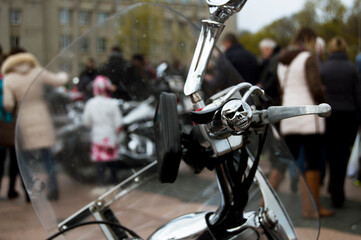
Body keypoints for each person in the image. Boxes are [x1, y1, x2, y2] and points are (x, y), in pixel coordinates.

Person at [277, 27, 333, 217]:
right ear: (310, 40)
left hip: (288, 116)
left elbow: (283, 90)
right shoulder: (307, 58)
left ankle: (263, 203)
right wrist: (323, 104)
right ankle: (311, 208)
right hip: (308, 117)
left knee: (283, 160)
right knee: (313, 162)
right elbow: (315, 88)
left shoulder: (282, 62)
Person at [2, 48, 68, 201]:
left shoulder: (9, 78)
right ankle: (53, 189)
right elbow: (59, 80)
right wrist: (65, 73)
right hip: (42, 117)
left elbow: (8, 104)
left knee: (26, 159)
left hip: (23, 120)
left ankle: (31, 192)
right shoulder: (37, 71)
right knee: (48, 157)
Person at [320, 36, 361, 208]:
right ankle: (339, 192)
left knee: (330, 153)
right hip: (348, 116)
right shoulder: (352, 69)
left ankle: (332, 187)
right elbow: (358, 96)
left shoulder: (323, 68)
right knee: (343, 154)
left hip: (329, 116)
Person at [83, 75, 122, 187]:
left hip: (97, 136)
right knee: (112, 161)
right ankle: (113, 182)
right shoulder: (112, 103)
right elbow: (118, 123)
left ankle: (100, 183)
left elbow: (86, 122)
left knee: (100, 163)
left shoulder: (90, 104)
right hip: (111, 136)